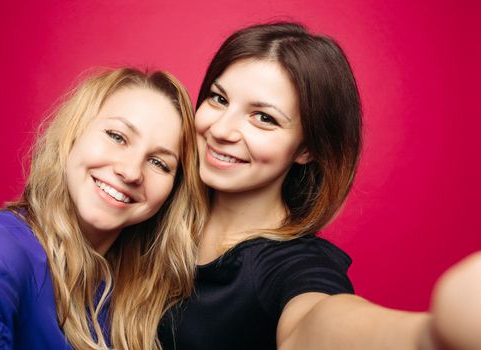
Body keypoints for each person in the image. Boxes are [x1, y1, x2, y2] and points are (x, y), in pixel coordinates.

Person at [158, 22, 481, 350]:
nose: (222, 129)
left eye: (264, 118)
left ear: (306, 148)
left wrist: (425, 337)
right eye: (219, 98)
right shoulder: (155, 202)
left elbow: (315, 321)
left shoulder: (294, 267)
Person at [0, 67, 206, 350]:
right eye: (117, 136)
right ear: (74, 134)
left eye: (159, 163)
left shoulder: (134, 296)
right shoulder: (4, 244)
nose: (131, 171)